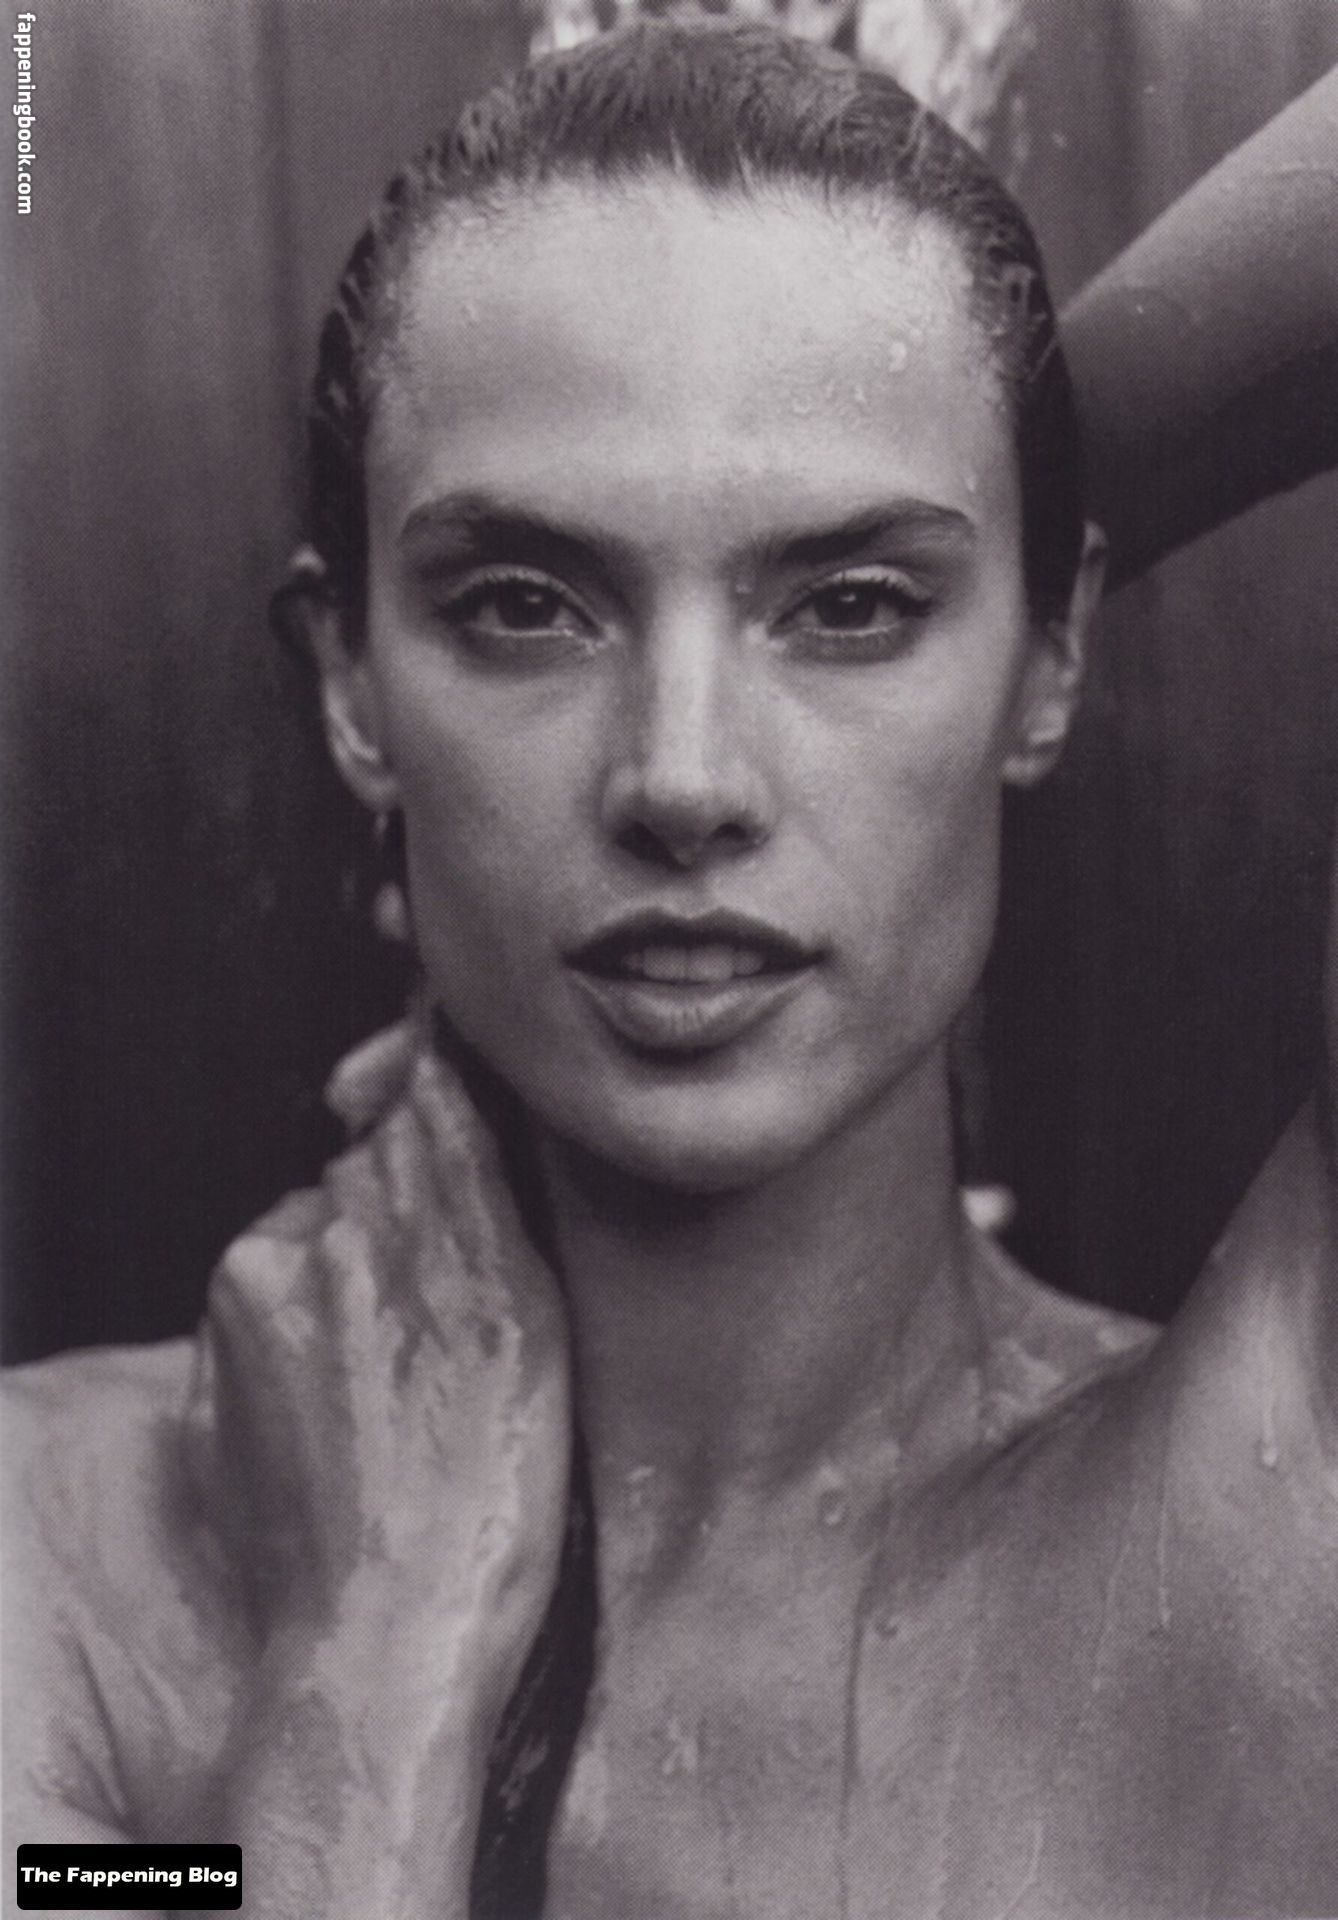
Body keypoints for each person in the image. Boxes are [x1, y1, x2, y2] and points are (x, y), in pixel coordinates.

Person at [4, 24, 1336, 1920]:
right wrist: (363, 1671)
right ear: (351, 686)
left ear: (1051, 652)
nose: (685, 777)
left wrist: (1014, 443)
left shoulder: (1270, 1513)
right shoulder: (45, 1557)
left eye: (853, 604)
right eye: (523, 605)